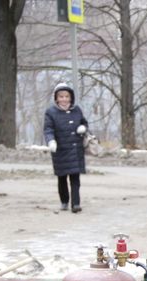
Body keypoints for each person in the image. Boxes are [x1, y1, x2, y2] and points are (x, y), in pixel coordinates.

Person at [44, 82, 89, 213]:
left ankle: (76, 204)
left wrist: (83, 128)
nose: (64, 99)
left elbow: (84, 122)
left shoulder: (77, 110)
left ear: (71, 97)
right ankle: (64, 201)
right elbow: (48, 129)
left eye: (66, 96)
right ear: (56, 98)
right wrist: (51, 141)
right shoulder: (51, 112)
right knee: (62, 177)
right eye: (61, 96)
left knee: (75, 178)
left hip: (75, 149)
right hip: (60, 150)